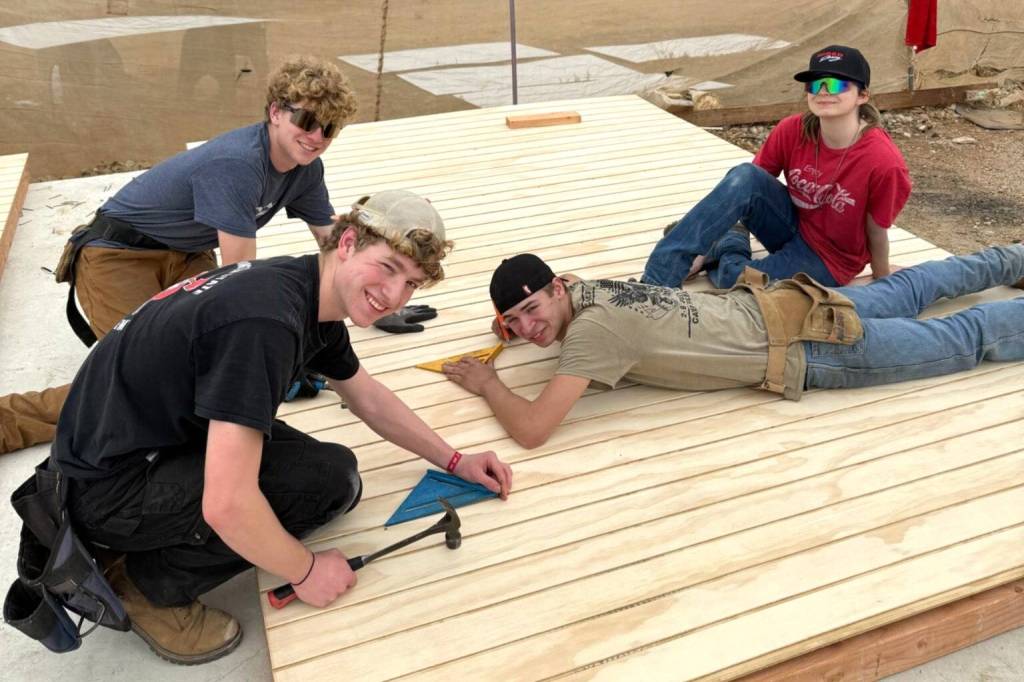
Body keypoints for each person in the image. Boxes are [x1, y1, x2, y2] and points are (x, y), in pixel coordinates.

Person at [46, 190, 513, 664]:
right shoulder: (266, 323)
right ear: (348, 242)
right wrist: (306, 570)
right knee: (295, 497)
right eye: (389, 268)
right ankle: (146, 586)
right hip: (108, 488)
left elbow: (366, 395)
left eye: (411, 284)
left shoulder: (306, 290)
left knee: (333, 477)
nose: (395, 296)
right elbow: (226, 504)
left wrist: (455, 460)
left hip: (134, 444)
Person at [1, 55, 359, 455]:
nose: (317, 137)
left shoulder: (306, 168)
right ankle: (7, 423)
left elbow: (333, 243)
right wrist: (276, 349)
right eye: (307, 122)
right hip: (118, 255)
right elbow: (244, 278)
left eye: (329, 128)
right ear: (276, 112)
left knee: (209, 363)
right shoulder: (238, 163)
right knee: (144, 372)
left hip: (187, 253)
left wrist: (370, 289)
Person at [442, 247, 1024, 449]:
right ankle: (1013, 256)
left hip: (806, 348)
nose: (527, 328)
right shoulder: (586, 289)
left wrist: (489, 383)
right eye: (514, 322)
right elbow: (545, 310)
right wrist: (519, 323)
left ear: (556, 289)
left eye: (532, 310)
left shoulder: (594, 336)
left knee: (962, 338)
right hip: (781, 303)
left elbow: (535, 428)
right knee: (910, 286)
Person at [642, 45, 912, 290]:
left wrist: (882, 275)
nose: (824, 91)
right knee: (744, 175)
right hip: (791, 226)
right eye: (815, 85)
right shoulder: (791, 130)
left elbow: (876, 230)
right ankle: (656, 281)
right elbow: (746, 191)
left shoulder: (884, 162)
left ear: (862, 95)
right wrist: (697, 253)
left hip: (829, 259)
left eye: (836, 84)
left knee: (731, 279)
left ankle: (729, 240)